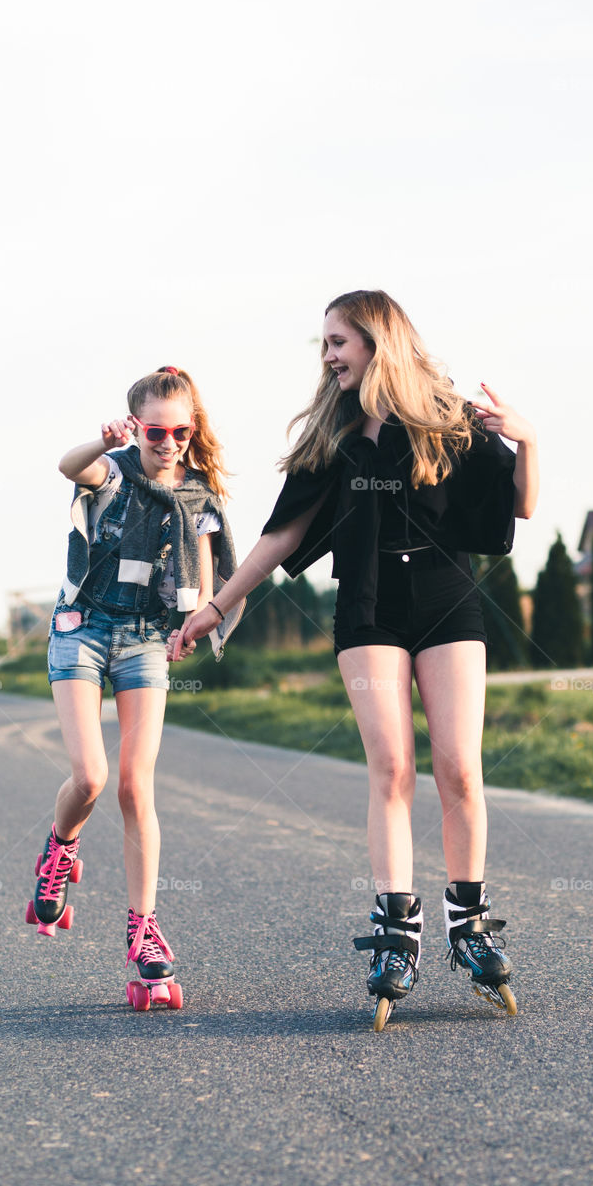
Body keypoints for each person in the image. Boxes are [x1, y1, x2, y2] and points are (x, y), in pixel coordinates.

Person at [178, 290, 539, 1027]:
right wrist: (216, 606)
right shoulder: (335, 436)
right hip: (368, 609)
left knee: (459, 768)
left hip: (446, 604)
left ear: (379, 339)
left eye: (338, 341)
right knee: (391, 766)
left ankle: (467, 927)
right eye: (324, 345)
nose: (329, 355)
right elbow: (280, 536)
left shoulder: (452, 421)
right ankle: (396, 933)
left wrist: (528, 441)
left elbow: (521, 507)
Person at [25, 366, 243, 1011]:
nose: (168, 441)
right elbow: (70, 467)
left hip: (149, 637)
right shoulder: (114, 468)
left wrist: (195, 623)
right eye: (155, 429)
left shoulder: (200, 496)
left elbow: (203, 580)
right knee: (90, 776)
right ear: (135, 425)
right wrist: (101, 442)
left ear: (191, 430)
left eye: (180, 430)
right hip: (80, 628)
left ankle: (143, 930)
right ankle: (59, 850)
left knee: (133, 785)